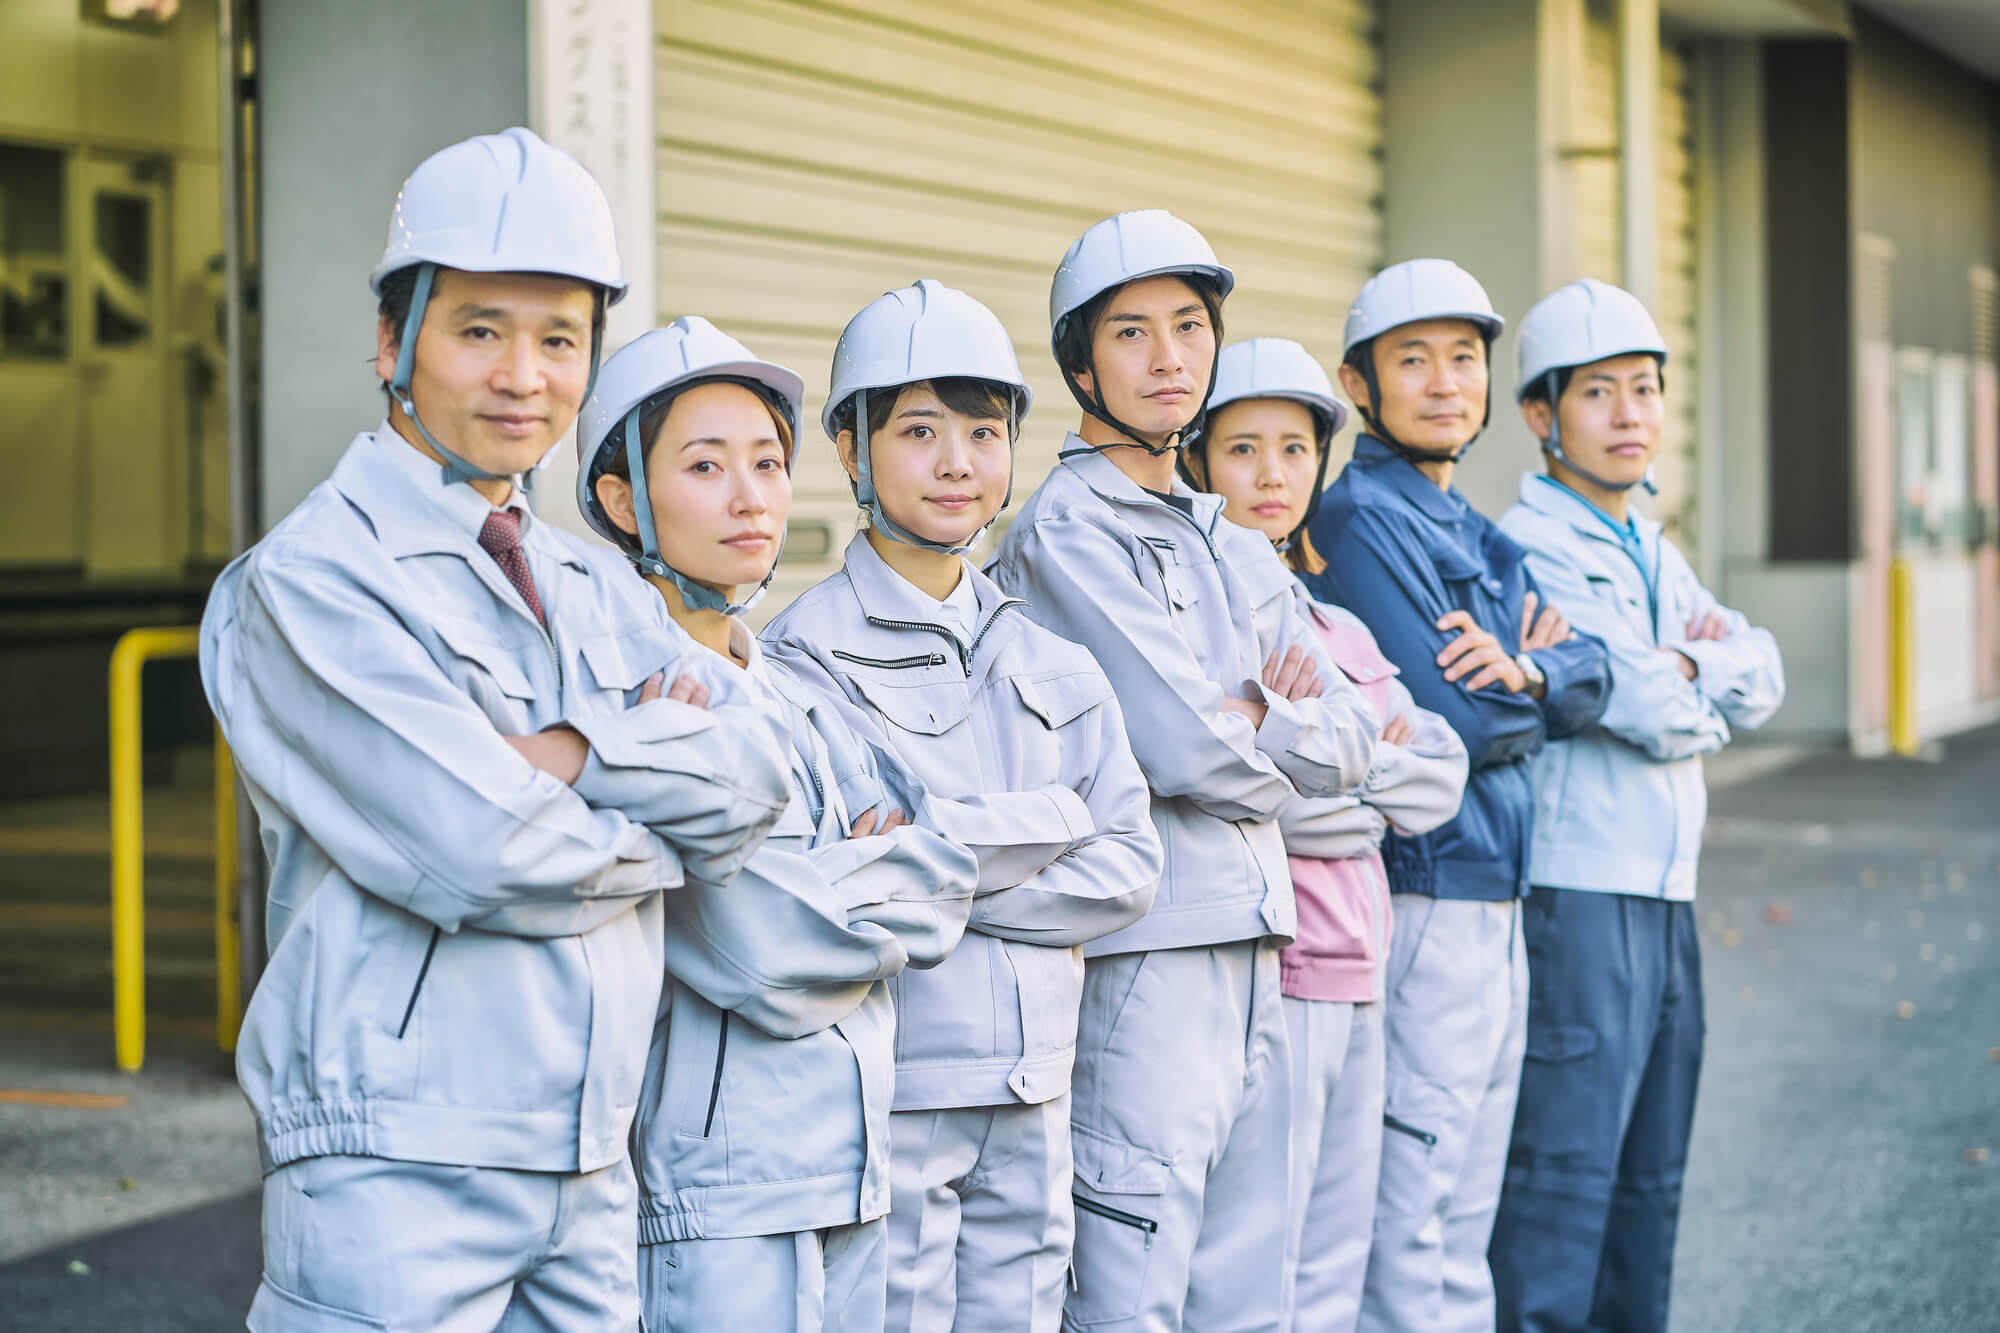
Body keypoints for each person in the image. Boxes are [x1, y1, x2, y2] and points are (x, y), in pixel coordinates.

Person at [198, 128, 794, 1332]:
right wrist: (663, 819)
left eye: (559, 338)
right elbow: (482, 845)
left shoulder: (591, 583)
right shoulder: (310, 582)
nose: (524, 374)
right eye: (480, 330)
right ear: (390, 340)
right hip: (397, 1160)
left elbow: (756, 774)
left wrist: (576, 759)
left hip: (590, 1155)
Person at [989, 211, 1380, 1333]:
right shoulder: (1064, 533)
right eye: (1131, 333)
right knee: (1136, 1292)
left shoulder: (1224, 532)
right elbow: (1188, 746)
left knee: (1247, 1291)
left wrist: (1263, 718)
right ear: (1077, 361)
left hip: (1259, 944)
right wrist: (1272, 712)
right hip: (1148, 959)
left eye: (1190, 327)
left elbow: (1350, 739)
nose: (1170, 358)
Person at [763, 279, 1163, 1333]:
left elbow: (1128, 865)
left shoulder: (1050, 656)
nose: (955, 463)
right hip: (899, 1090)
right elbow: (858, 882)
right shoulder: (802, 657)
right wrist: (1047, 824)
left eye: (981, 433)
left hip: (1039, 1083)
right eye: (917, 431)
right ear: (849, 449)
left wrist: (941, 864)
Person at [575, 315, 981, 1332]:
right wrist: (869, 869)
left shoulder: (791, 686)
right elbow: (759, 949)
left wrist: (861, 876)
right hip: (718, 1185)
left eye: (765, 460)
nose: (751, 495)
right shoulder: (631, 697)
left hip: (853, 1155)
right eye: (705, 465)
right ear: (622, 498)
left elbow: (944, 883)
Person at [1303, 258, 1611, 1333]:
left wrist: (1529, 674)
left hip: (1495, 894)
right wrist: (1528, 689)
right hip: (1426, 894)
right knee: (1412, 1203)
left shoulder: (1469, 525)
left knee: (1466, 1196)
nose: (1444, 382)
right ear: (1357, 383)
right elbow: (1456, 723)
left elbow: (1588, 678)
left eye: (1463, 358)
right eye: (1412, 360)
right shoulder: (1354, 520)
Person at [1488, 279, 1785, 1333]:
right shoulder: (1530, 549)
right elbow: (1652, 705)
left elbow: (1764, 669)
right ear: (1540, 415)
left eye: (1645, 390)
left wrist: (1683, 675)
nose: (1628, 415)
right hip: (1578, 898)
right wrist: (1691, 678)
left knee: (1647, 1180)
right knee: (1562, 1183)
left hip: (1664, 898)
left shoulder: (1651, 549)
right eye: (1599, 393)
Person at [1181, 337, 1469, 1333]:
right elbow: (1271, 794)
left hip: (1362, 961)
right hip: (1279, 966)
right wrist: (1356, 770)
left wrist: (1318, 752)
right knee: (1255, 1256)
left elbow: (1438, 778)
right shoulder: (1204, 618)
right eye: (1241, 449)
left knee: (1337, 1255)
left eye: (1294, 450)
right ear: (1194, 460)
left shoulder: (1332, 626)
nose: (1270, 475)